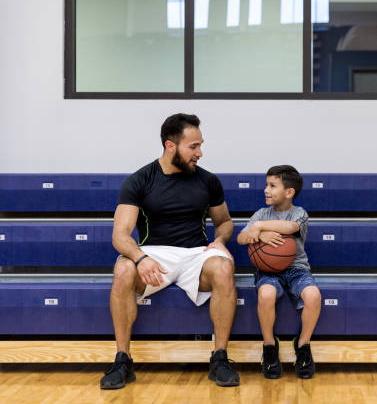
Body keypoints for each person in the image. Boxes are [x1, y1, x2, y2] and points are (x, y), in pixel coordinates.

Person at [100, 113, 240, 389]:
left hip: (196, 255)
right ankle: (122, 360)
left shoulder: (208, 180)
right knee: (123, 268)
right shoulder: (140, 180)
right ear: (170, 146)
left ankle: (220, 357)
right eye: (193, 146)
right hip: (154, 253)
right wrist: (141, 258)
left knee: (223, 267)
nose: (200, 152)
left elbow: (223, 222)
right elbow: (120, 235)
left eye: (200, 145)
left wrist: (221, 241)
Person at [237, 165, 321, 379]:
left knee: (313, 295)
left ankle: (303, 346)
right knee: (266, 294)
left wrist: (260, 227)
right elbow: (241, 238)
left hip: (296, 269)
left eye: (272, 186)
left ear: (289, 192)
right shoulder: (261, 212)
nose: (266, 189)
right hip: (268, 270)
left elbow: (291, 228)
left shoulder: (299, 213)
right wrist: (258, 235)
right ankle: (269, 347)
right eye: (266, 185)